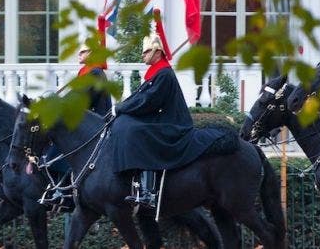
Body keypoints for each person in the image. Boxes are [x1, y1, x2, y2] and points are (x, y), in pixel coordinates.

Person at [111, 33, 224, 208]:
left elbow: (148, 101)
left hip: (172, 123)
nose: (143, 55)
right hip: (160, 119)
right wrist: (121, 107)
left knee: (136, 131)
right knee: (125, 124)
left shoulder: (164, 74)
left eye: (146, 51)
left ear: (158, 52)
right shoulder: (156, 73)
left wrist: (122, 108)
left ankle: (148, 192)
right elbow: (139, 97)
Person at [42, 40, 112, 207]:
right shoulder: (86, 72)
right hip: (85, 121)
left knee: (65, 143)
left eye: (83, 52)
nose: (79, 55)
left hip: (95, 124)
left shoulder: (95, 73)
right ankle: (57, 187)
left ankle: (64, 191)